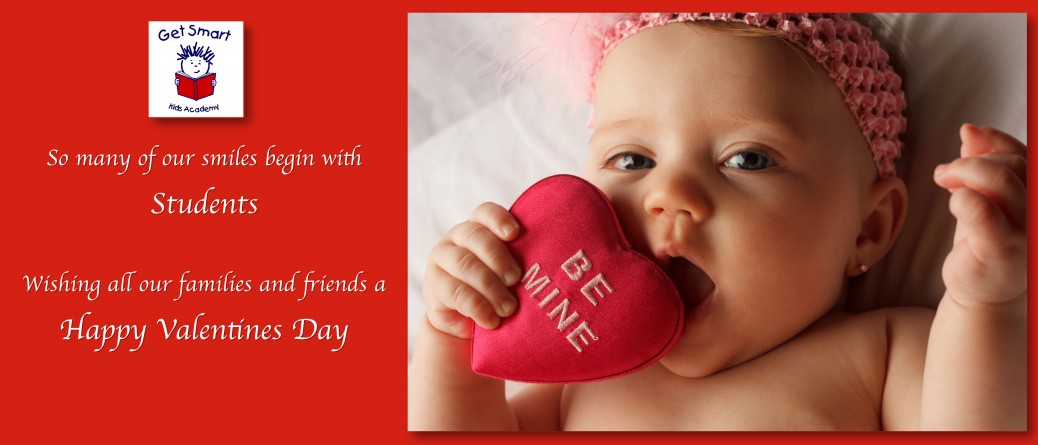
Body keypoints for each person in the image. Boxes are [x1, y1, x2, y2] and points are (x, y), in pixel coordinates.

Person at [407, 13, 1026, 431]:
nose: (668, 193)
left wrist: (985, 304)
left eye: (748, 159)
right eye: (632, 159)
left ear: (868, 229)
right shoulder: (581, 375)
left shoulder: (884, 354)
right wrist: (456, 341)